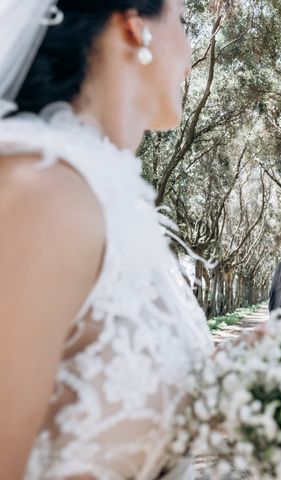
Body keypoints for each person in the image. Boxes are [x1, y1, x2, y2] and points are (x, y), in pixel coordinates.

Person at [0, 1, 214, 478]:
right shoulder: (40, 191)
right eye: (183, 22)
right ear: (136, 27)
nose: (190, 47)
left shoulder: (111, 198)